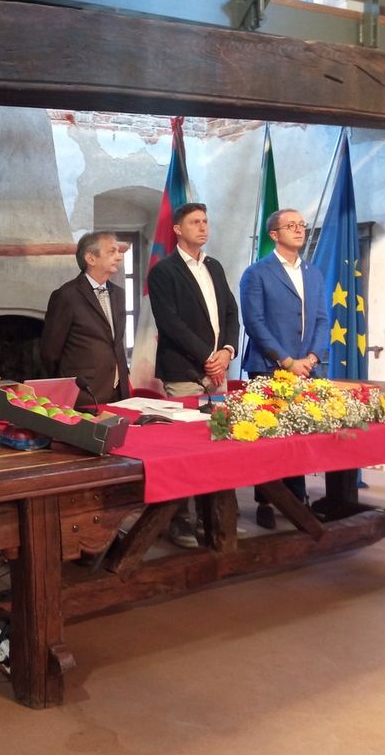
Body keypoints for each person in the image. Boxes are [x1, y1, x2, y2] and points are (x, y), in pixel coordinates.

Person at [147, 202, 241, 549]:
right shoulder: (164, 271)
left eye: (205, 221)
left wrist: (227, 351)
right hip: (185, 370)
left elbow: (231, 313)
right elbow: (170, 323)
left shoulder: (213, 266)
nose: (203, 227)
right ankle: (179, 521)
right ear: (177, 229)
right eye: (195, 222)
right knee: (186, 449)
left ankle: (215, 519)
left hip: (218, 370)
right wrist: (207, 357)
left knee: (219, 446)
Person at [240, 208, 329, 528]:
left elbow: (322, 319)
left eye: (302, 225)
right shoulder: (257, 273)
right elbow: (254, 322)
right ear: (274, 234)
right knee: (269, 437)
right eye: (291, 225)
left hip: (307, 366)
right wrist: (286, 360)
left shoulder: (313, 273)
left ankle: (298, 499)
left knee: (299, 435)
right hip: (269, 366)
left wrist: (312, 358)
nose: (299, 230)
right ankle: (266, 500)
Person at [40, 231, 131, 409]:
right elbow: (50, 352)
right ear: (91, 258)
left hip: (118, 392)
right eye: (111, 251)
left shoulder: (119, 293)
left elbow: (115, 342)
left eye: (118, 251)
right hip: (84, 394)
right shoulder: (66, 295)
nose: (119, 257)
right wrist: (67, 385)